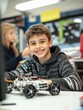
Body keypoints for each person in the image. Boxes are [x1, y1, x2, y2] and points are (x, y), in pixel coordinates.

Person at [5, 24, 82, 91]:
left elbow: (76, 82)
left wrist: (49, 82)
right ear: (29, 47)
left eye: (42, 41)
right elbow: (13, 74)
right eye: (33, 43)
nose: (38, 46)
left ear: (50, 42)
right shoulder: (30, 63)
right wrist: (5, 77)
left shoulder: (60, 59)